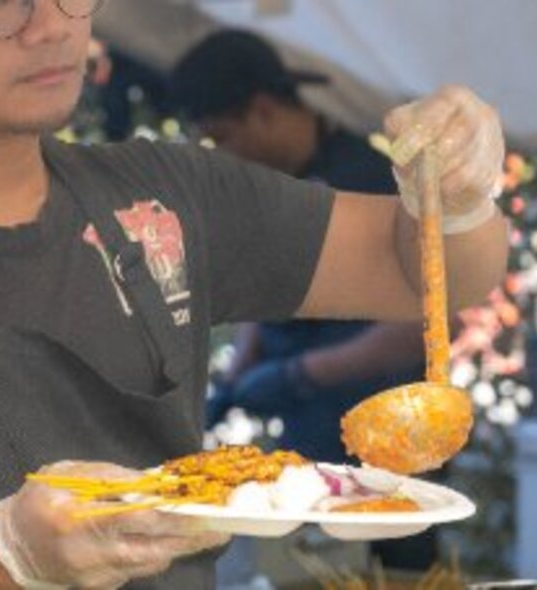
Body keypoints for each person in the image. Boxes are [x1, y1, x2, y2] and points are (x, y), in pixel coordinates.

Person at [0, 1, 507, 589]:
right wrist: (0, 553)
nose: (50, 23)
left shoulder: (167, 199)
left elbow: (430, 272)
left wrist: (457, 191)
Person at [169, 30, 443, 583]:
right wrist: (237, 375)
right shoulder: (273, 188)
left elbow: (424, 325)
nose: (221, 156)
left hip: (387, 453)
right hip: (311, 443)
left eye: (221, 138)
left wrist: (300, 374)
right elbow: (269, 293)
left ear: (263, 111)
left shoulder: (368, 180)